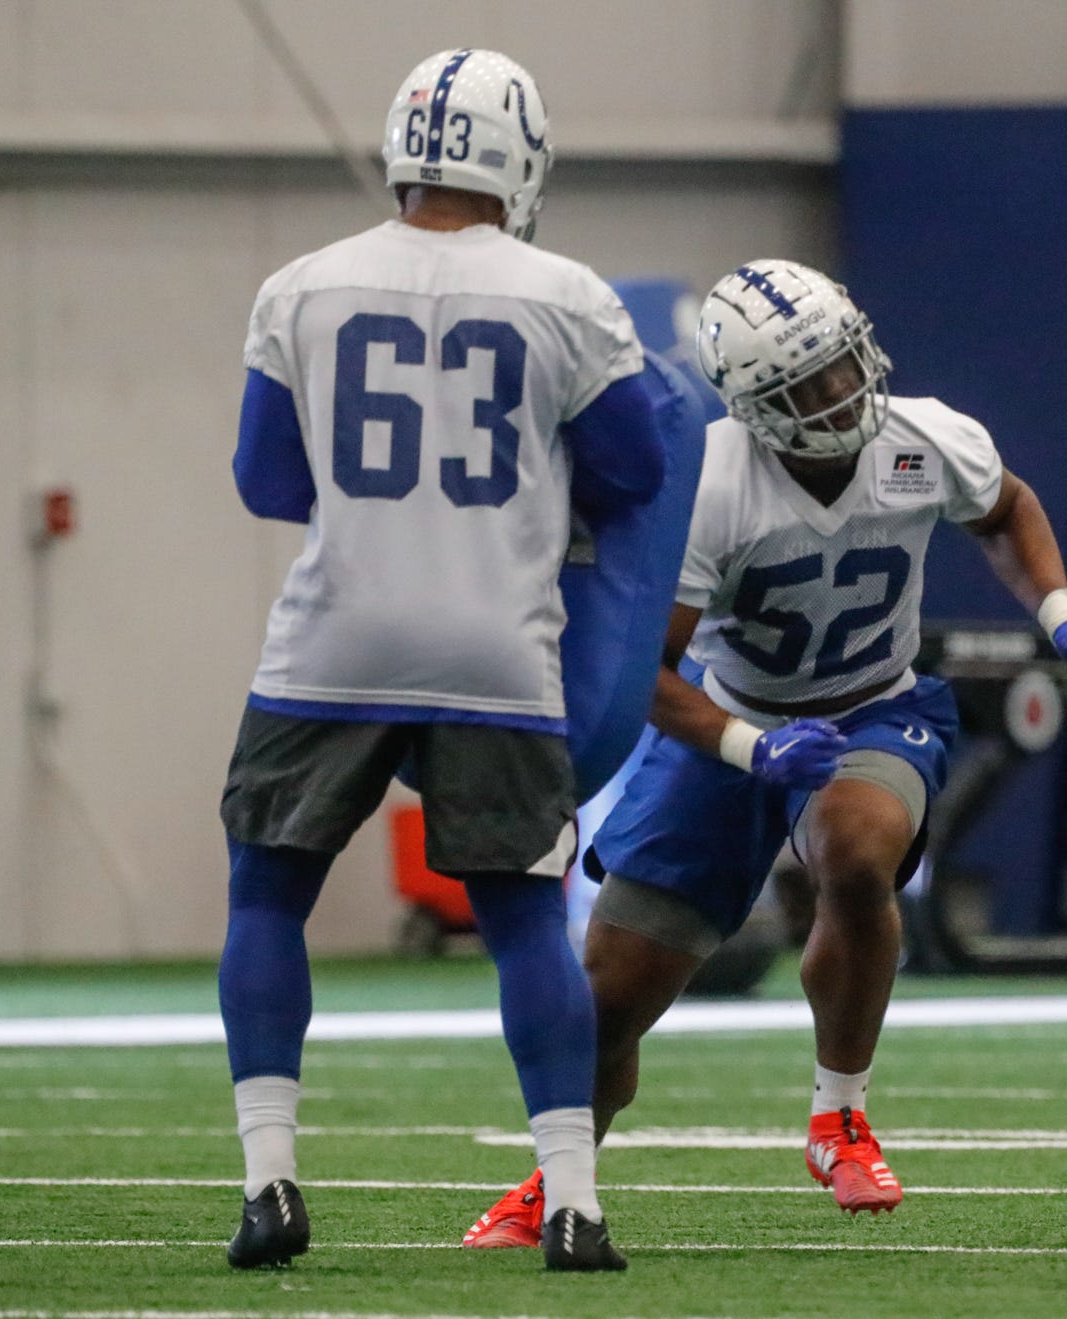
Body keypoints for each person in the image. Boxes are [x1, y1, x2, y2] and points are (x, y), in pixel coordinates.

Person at [461, 258, 1067, 1248]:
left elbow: (1006, 507)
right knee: (609, 993)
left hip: (876, 707)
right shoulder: (708, 486)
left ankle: (839, 1114)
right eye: (806, 383)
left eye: (844, 363)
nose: (841, 392)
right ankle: (559, 1179)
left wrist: (1059, 611)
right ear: (750, 405)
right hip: (729, 721)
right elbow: (646, 672)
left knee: (855, 850)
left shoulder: (924, 437)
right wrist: (749, 743)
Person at [218, 47, 671, 1272]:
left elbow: (265, 479)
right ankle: (571, 1201)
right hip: (494, 644)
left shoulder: (299, 286)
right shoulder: (568, 296)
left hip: (332, 636)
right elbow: (634, 470)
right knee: (522, 920)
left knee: (266, 896)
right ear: (519, 158)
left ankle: (268, 1186)